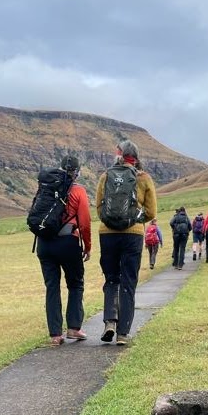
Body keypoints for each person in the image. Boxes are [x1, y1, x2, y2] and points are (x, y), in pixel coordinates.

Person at [96, 139, 157, 345]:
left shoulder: (106, 175)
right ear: (136, 156)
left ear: (118, 154)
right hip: (133, 235)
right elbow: (151, 212)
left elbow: (99, 207)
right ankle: (123, 333)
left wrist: (112, 221)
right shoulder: (144, 178)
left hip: (107, 234)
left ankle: (110, 322)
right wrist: (133, 220)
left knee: (111, 278)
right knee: (129, 281)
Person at [36, 155, 91, 345]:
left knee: (52, 287)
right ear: (77, 172)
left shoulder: (46, 187)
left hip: (44, 243)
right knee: (75, 284)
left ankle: (55, 334)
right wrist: (87, 247)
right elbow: (84, 223)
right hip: (68, 242)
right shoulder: (78, 191)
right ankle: (74, 328)